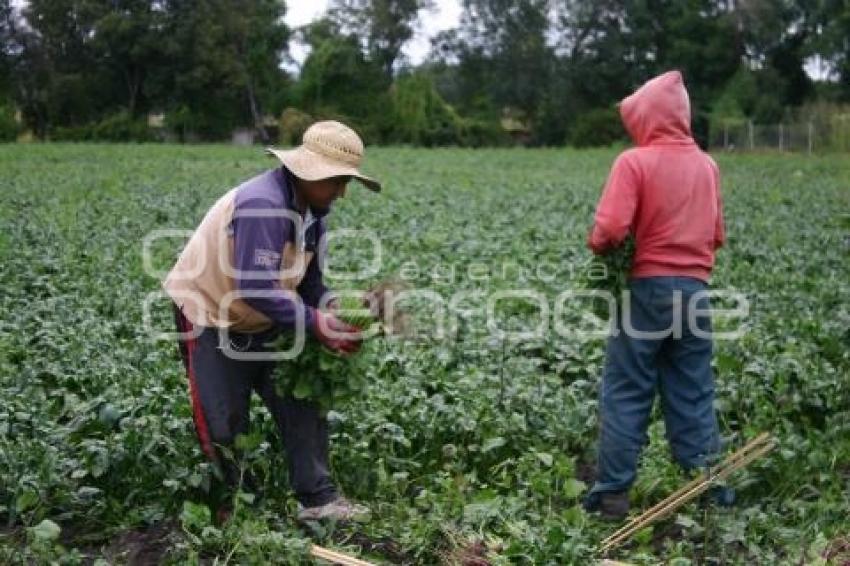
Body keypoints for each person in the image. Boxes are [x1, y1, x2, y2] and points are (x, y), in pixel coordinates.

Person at [164, 121, 380, 523]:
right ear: (307, 172)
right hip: (210, 314)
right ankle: (236, 507)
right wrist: (316, 325)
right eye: (336, 180)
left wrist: (339, 310)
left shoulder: (314, 215)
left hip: (265, 314)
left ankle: (318, 499)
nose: (342, 192)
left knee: (302, 400)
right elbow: (256, 288)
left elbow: (309, 284)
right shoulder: (262, 205)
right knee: (224, 420)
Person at [582, 71, 729, 519]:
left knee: (627, 389)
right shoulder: (707, 165)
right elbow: (717, 236)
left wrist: (600, 248)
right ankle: (708, 492)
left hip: (646, 289)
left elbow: (609, 229)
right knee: (692, 391)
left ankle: (611, 496)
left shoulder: (635, 162)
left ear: (647, 118)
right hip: (695, 293)